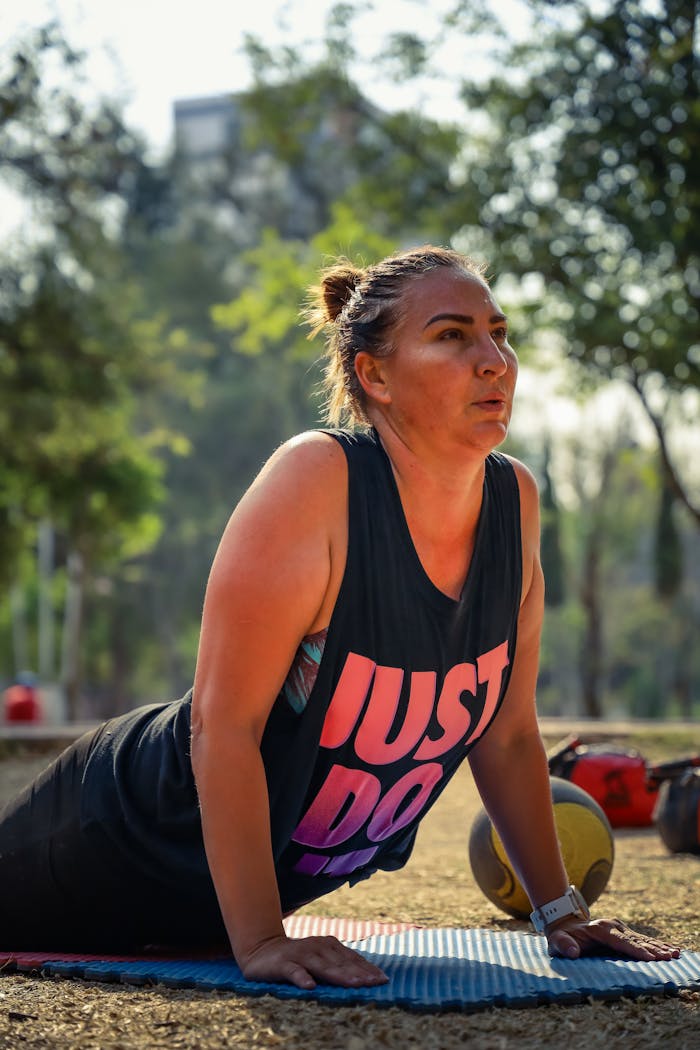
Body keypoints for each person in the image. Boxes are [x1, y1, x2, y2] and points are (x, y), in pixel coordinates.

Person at [0, 245, 679, 989]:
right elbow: (222, 728)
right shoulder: (317, 481)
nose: (495, 360)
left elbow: (509, 731)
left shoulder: (514, 502)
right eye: (452, 335)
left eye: (498, 332)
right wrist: (260, 939)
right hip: (113, 832)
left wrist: (561, 912)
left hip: (205, 912)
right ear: (374, 376)